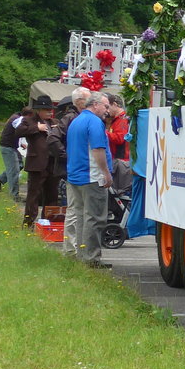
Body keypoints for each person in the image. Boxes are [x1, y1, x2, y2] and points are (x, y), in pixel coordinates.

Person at [65, 91, 114, 267]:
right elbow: (98, 150)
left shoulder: (76, 120)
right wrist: (106, 173)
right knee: (95, 218)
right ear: (95, 105)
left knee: (80, 216)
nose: (107, 110)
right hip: (91, 176)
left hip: (75, 175)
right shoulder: (94, 122)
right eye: (105, 106)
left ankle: (82, 254)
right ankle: (91, 258)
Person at [50, 87, 89, 255]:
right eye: (88, 99)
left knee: (76, 208)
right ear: (80, 101)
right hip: (72, 169)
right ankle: (71, 248)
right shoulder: (70, 118)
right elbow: (52, 138)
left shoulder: (76, 117)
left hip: (75, 168)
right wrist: (67, 155)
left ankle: (75, 247)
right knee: (73, 209)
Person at [17, 95, 58, 229]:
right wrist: (36, 128)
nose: (49, 112)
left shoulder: (53, 122)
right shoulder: (29, 120)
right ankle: (28, 222)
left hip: (52, 163)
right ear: (38, 110)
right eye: (46, 110)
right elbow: (18, 131)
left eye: (50, 109)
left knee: (52, 195)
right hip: (37, 163)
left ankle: (47, 222)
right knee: (34, 195)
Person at [0, 106, 26, 201]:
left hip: (11, 146)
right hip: (8, 147)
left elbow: (16, 132)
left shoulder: (16, 117)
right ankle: (14, 196)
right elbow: (21, 130)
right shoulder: (18, 119)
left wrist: (20, 143)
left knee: (19, 165)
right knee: (14, 171)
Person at [105, 92, 134, 192]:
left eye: (108, 107)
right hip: (119, 162)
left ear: (115, 105)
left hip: (121, 162)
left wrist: (104, 133)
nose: (107, 111)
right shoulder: (117, 120)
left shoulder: (122, 119)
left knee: (119, 191)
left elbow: (120, 138)